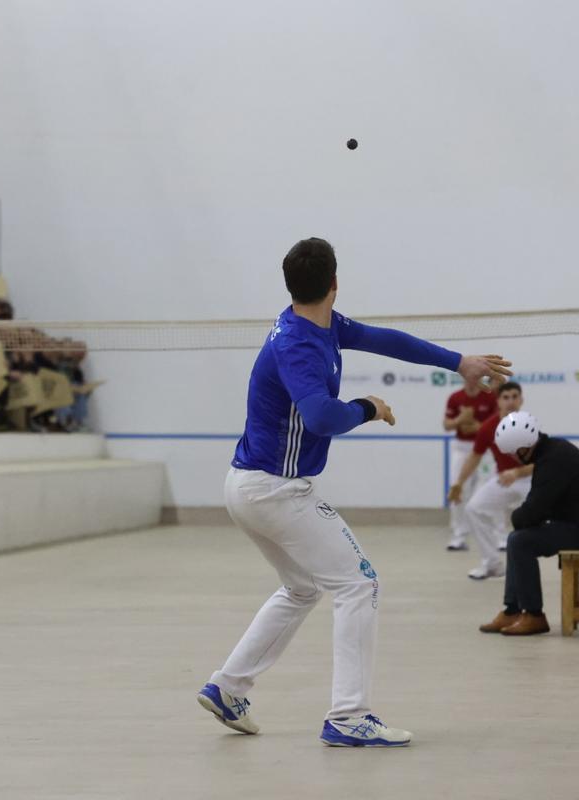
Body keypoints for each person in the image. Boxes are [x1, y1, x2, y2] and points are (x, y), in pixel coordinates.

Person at [197, 237, 511, 747]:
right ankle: (349, 716)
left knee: (302, 588)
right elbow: (321, 415)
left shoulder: (320, 325)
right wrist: (368, 405)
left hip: (250, 485)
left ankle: (229, 687)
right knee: (358, 584)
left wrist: (459, 362)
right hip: (275, 491)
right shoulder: (297, 343)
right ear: (335, 283)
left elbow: (385, 339)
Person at [479, 412, 579, 636]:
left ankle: (534, 615)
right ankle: (512, 610)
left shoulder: (553, 460)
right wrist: (523, 517)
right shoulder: (553, 451)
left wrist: (516, 518)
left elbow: (530, 514)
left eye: (513, 453)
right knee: (518, 539)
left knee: (520, 541)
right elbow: (537, 510)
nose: (515, 458)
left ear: (523, 448)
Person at [446, 382, 530, 579]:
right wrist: (458, 483)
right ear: (498, 401)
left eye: (514, 397)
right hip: (503, 480)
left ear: (521, 400)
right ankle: (492, 564)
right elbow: (474, 457)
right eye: (505, 397)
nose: (510, 401)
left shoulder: (529, 425)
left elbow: (542, 463)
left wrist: (517, 473)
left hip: (531, 480)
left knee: (561, 516)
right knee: (474, 508)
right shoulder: (488, 427)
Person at [442, 381, 497, 550]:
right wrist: (461, 419)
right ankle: (458, 537)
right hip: (462, 448)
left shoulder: (490, 397)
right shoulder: (455, 397)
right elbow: (446, 425)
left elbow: (496, 423)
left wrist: (477, 426)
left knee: (489, 490)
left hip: (485, 450)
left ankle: (498, 537)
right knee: (457, 489)